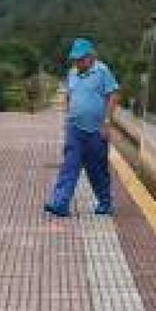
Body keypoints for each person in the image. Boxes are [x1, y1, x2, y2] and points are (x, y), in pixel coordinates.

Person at [44, 38, 119, 216]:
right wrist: (69, 115)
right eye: (75, 59)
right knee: (69, 166)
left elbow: (113, 94)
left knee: (97, 169)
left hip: (96, 129)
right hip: (75, 128)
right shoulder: (72, 73)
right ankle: (60, 203)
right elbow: (70, 95)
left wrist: (107, 121)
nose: (77, 62)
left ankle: (105, 203)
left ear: (91, 57)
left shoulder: (102, 71)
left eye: (80, 59)